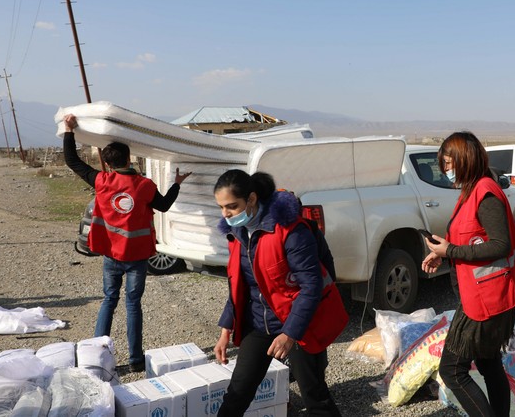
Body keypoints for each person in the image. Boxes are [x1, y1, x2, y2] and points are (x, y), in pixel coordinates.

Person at [212, 169, 347, 417]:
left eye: (232, 206)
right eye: (221, 207)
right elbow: (239, 286)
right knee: (237, 393)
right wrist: (225, 331)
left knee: (313, 394)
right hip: (259, 322)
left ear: (251, 199)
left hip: (299, 322)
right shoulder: (237, 234)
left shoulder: (290, 231)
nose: (225, 214)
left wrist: (290, 334)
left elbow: (311, 286)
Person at [63, 114, 191, 372]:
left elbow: (72, 161)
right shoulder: (144, 186)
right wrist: (176, 184)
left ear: (108, 164)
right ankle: (135, 361)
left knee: (109, 300)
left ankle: (95, 358)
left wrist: (69, 131)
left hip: (111, 256)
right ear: (129, 158)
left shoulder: (102, 182)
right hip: (137, 258)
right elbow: (164, 205)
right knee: (133, 305)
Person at [421, 131, 515, 417]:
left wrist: (451, 252)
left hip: (486, 302)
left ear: (464, 160)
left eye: (448, 163)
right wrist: (441, 253)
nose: (446, 170)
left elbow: (501, 244)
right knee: (488, 363)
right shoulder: (472, 191)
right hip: (479, 296)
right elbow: (470, 240)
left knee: (452, 370)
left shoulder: (485, 194)